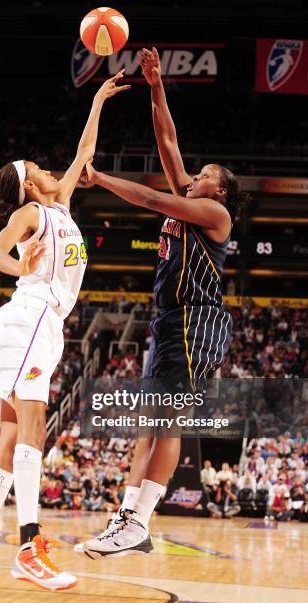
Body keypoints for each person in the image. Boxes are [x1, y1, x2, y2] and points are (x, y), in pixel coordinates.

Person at [0, 71, 130, 603]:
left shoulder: (61, 206)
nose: (50, 169)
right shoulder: (30, 212)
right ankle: (28, 547)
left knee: (10, 445)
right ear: (28, 184)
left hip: (42, 325)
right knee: (33, 428)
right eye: (39, 169)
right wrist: (20, 260)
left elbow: (82, 151)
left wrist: (95, 101)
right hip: (28, 319)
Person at [82, 47, 248, 559]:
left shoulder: (214, 216)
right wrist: (156, 86)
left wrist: (101, 177)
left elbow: (154, 199)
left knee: (169, 420)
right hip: (169, 322)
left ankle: (139, 521)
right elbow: (168, 142)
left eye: (203, 175)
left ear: (218, 191)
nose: (193, 175)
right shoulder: (195, 200)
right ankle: (129, 519)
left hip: (197, 323)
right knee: (150, 423)